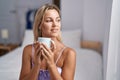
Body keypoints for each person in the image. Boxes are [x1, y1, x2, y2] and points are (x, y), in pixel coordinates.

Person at [19, 4, 76, 80]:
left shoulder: (69, 53)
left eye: (58, 20)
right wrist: (37, 65)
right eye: (49, 20)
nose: (55, 24)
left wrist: (51, 64)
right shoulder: (28, 50)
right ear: (39, 25)